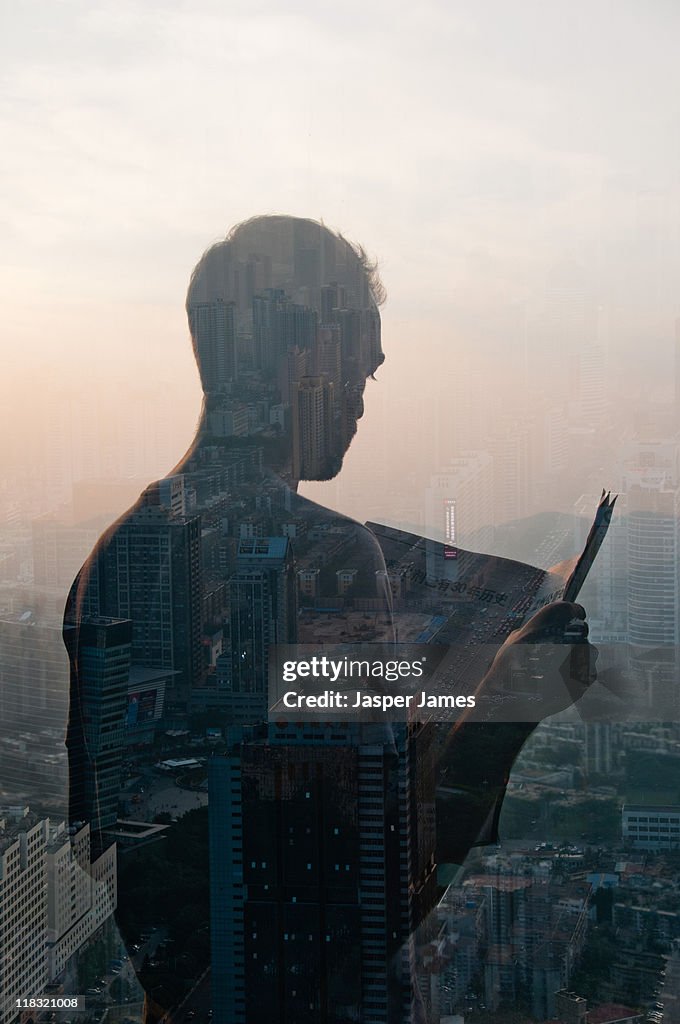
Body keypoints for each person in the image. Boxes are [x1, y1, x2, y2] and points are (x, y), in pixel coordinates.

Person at [64, 215, 594, 1023]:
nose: (361, 397)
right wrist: (504, 709)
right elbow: (375, 892)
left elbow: (130, 860)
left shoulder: (112, 558)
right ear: (306, 350)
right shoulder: (325, 558)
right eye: (362, 368)